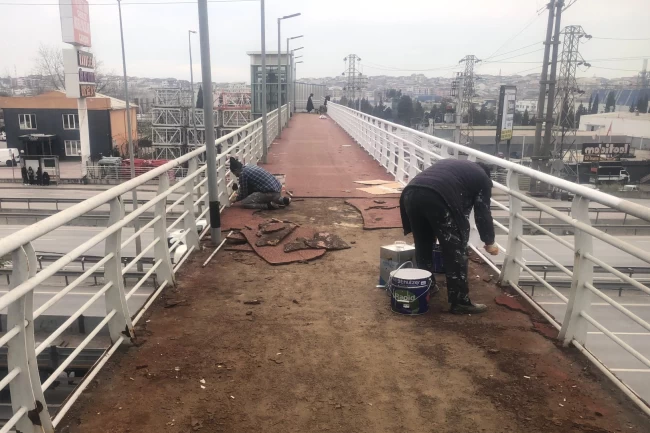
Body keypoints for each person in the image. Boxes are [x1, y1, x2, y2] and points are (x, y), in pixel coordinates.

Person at [399, 159, 499, 314]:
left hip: (410, 193)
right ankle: (460, 302)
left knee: (423, 243)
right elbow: (482, 212)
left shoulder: (457, 167)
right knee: (455, 250)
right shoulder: (483, 178)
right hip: (437, 196)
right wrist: (489, 240)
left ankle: (426, 286)